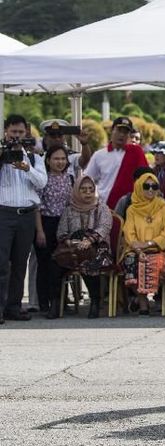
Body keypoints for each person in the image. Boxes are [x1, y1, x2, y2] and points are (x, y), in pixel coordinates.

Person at [0, 114, 47, 323]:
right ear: (5, 132)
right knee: (1, 265)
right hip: (3, 214)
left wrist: (27, 167)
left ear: (26, 133)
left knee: (20, 264)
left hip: (26, 215)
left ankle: (14, 306)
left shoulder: (35, 157)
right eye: (13, 133)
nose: (17, 136)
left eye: (20, 132)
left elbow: (42, 182)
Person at [55, 176, 114, 319]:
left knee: (88, 261)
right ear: (76, 191)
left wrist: (89, 240)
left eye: (91, 189)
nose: (88, 192)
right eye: (83, 189)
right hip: (72, 251)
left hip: (98, 250)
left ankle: (95, 301)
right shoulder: (69, 210)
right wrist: (69, 241)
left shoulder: (101, 207)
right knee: (53, 265)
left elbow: (105, 226)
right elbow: (61, 232)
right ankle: (55, 303)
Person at [121, 171, 165, 315]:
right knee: (131, 260)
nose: (150, 189)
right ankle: (143, 301)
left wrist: (149, 244)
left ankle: (151, 300)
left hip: (159, 249)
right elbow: (129, 232)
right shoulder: (132, 209)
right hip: (135, 249)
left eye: (154, 186)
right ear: (139, 187)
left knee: (156, 263)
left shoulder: (163, 206)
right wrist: (138, 249)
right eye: (146, 186)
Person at [34, 145, 74, 319]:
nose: (60, 162)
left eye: (63, 159)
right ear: (48, 160)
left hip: (64, 225)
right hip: (46, 224)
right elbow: (37, 207)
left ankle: (61, 301)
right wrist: (40, 231)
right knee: (45, 264)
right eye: (56, 159)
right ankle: (45, 302)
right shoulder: (43, 179)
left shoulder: (71, 179)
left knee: (62, 263)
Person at [83, 116, 149, 209]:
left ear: (129, 135)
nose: (122, 135)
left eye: (125, 132)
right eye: (119, 130)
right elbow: (87, 179)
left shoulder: (136, 152)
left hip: (131, 208)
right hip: (105, 208)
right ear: (112, 130)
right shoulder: (99, 155)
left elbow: (147, 177)